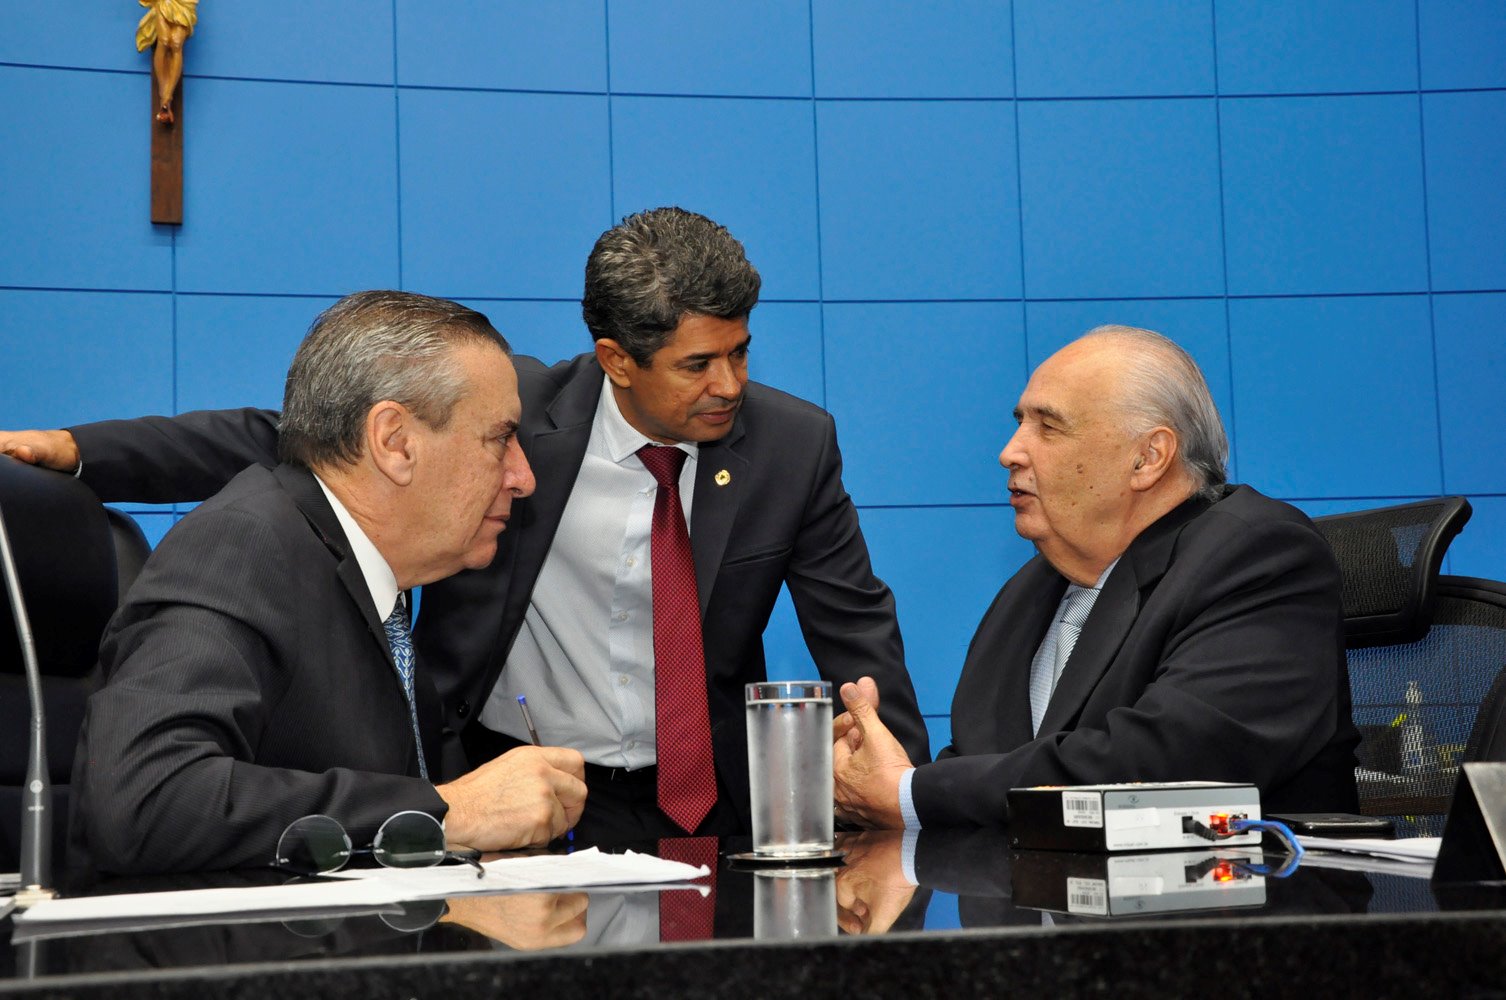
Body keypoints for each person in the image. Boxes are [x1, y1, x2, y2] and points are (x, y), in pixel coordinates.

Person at [3, 208, 928, 842]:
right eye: (697, 364)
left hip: (709, 800)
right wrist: (81, 452)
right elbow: (291, 435)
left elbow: (858, 632)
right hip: (516, 785)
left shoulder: (793, 445)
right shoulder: (511, 407)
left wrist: (905, 799)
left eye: (741, 352)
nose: (729, 386)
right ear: (616, 359)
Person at [70, 291, 587, 874]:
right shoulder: (242, 548)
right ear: (394, 442)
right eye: (500, 439)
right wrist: (445, 812)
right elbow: (144, 801)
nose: (523, 477)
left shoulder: (373, 580)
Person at [831, 326, 1360, 828]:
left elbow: (1162, 765)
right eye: (1020, 422)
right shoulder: (1028, 592)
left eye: (1048, 427)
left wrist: (911, 792)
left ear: (1148, 458)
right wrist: (865, 782)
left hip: (1241, 890)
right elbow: (983, 766)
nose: (1009, 452)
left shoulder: (1259, 555)